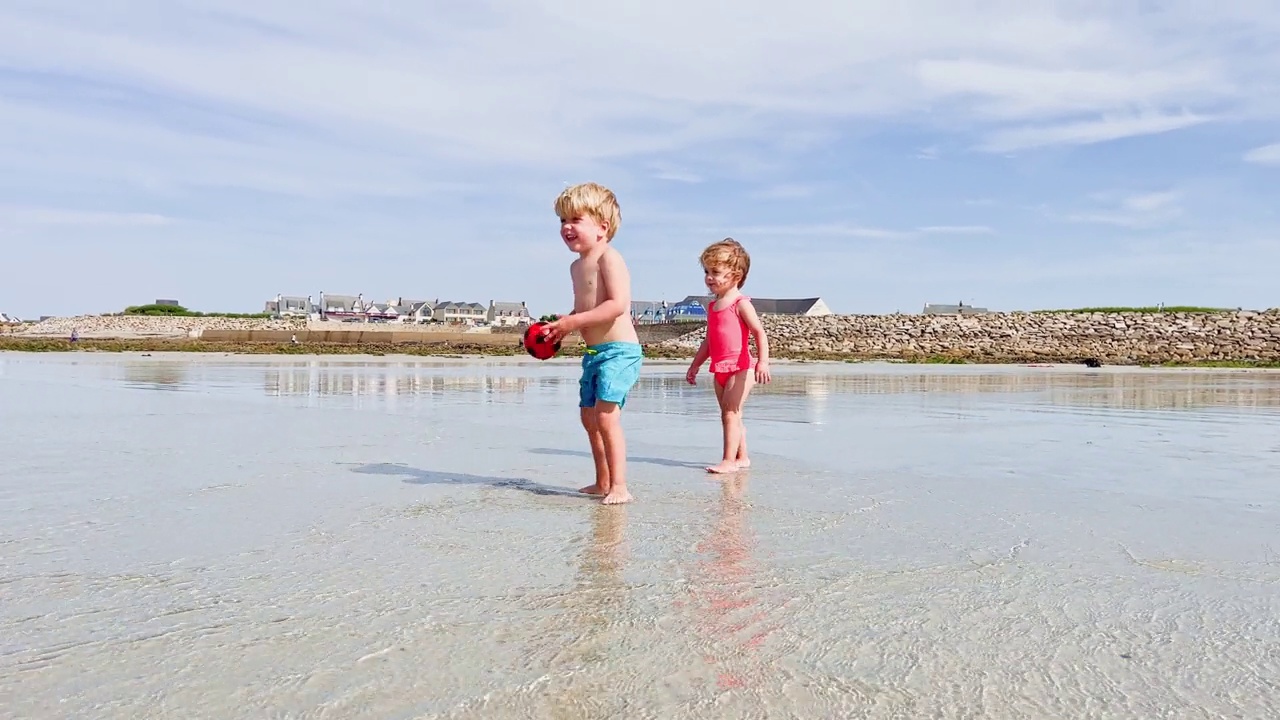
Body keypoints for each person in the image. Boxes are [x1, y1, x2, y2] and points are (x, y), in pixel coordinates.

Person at [542, 183, 644, 504]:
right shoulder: (576, 267)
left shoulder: (609, 258)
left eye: (575, 219)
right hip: (593, 353)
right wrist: (564, 324)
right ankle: (602, 481)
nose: (566, 227)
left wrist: (573, 322)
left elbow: (616, 305)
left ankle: (620, 486)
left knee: (605, 416)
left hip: (620, 351)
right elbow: (586, 309)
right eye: (562, 221)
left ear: (602, 227)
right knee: (588, 417)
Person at [685, 238, 771, 473]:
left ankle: (728, 460)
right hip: (720, 368)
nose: (709, 277)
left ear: (736, 275)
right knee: (732, 414)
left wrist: (762, 362)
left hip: (742, 367)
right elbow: (709, 342)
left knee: (730, 413)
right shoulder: (712, 307)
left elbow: (759, 332)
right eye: (706, 271)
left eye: (716, 272)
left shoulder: (741, 304)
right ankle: (742, 456)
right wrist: (695, 366)